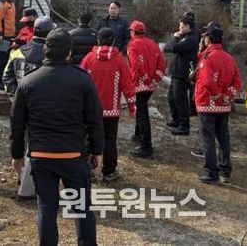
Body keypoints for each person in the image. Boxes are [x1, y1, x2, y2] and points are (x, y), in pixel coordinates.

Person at [10, 29, 104, 246]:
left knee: (46, 209)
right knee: (82, 208)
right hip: (73, 156)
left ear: (45, 49)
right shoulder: (83, 80)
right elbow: (94, 120)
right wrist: (97, 151)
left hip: (41, 156)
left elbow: (17, 123)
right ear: (70, 52)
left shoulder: (28, 82)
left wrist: (17, 154)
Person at [3, 15, 53, 200]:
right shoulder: (49, 56)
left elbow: (6, 76)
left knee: (18, 139)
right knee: (36, 145)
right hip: (42, 108)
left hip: (19, 105)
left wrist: (15, 97)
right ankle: (30, 184)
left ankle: (20, 176)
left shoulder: (17, 52)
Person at [80, 28, 136, 181]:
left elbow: (80, 81)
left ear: (98, 40)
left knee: (89, 139)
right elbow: (128, 85)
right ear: (113, 41)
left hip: (91, 110)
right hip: (112, 110)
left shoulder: (89, 58)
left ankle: (90, 171)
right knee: (110, 140)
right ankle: (109, 171)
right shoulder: (119, 60)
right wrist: (132, 106)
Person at [195, 22, 241, 184]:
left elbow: (207, 81)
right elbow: (237, 81)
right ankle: (225, 171)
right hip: (224, 106)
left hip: (207, 103)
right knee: (223, 137)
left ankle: (211, 172)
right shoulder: (229, 58)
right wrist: (228, 95)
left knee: (207, 138)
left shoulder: (207, 58)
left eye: (205, 37)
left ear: (208, 38)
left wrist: (218, 95)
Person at [127, 20, 166, 159]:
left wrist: (146, 79)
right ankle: (138, 135)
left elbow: (136, 65)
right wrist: (156, 79)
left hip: (139, 83)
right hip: (150, 85)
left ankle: (146, 146)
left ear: (133, 32)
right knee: (141, 109)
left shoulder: (133, 45)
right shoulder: (153, 43)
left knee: (142, 113)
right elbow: (162, 63)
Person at [165, 13, 199, 136]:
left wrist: (175, 37)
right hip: (177, 70)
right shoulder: (186, 36)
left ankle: (184, 125)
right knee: (171, 97)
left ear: (187, 26)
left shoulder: (192, 39)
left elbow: (175, 47)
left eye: (181, 26)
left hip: (183, 72)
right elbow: (170, 47)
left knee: (180, 99)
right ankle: (176, 119)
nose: (179, 29)